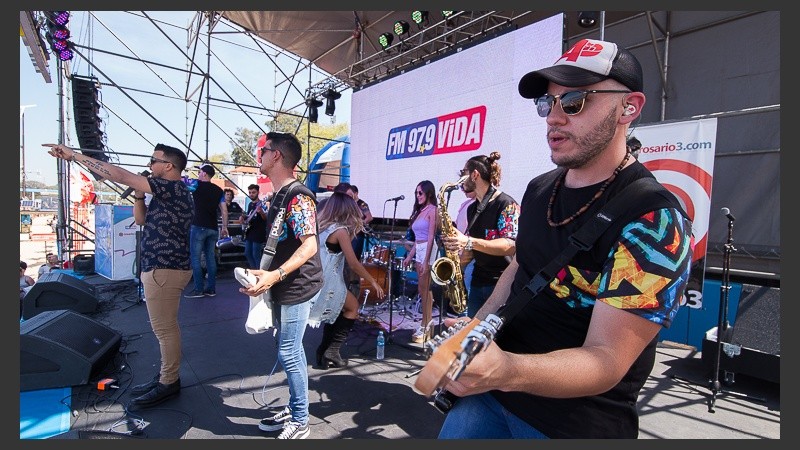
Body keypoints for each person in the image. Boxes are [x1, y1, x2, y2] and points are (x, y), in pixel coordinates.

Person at [435, 39, 694, 439]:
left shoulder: (655, 219)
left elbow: (607, 360)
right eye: (547, 103)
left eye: (574, 101)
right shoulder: (540, 189)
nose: (553, 117)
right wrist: (475, 331)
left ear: (629, 107)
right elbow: (520, 269)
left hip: (574, 425)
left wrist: (507, 371)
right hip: (489, 400)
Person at [43, 142, 194, 411]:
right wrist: (139, 195)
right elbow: (140, 221)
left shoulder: (173, 188)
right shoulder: (165, 194)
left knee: (165, 330)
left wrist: (75, 155)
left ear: (168, 166)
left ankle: (169, 381)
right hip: (159, 267)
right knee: (164, 329)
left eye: (154, 160)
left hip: (165, 269)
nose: (150, 165)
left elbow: (120, 175)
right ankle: (166, 377)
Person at [238, 131, 323, 440]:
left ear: (276, 156)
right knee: (288, 349)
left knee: (289, 351)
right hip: (285, 284)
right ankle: (296, 407)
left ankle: (301, 420)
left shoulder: (298, 196)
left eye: (264, 150)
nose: (260, 155)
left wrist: (274, 276)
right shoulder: (279, 197)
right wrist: (261, 273)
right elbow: (279, 246)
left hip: (297, 286)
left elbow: (310, 246)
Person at [309, 191, 385, 369]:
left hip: (318, 278)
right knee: (352, 308)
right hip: (330, 281)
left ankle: (324, 351)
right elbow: (353, 263)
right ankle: (332, 351)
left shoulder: (322, 226)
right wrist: (373, 282)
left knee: (334, 314)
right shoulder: (340, 231)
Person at [442, 152, 520, 317]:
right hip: (478, 281)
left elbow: (511, 245)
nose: (460, 179)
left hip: (501, 284)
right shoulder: (472, 208)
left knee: (496, 339)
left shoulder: (506, 204)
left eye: (464, 173)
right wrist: (455, 276)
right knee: (472, 335)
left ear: (474, 174)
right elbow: (472, 247)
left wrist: (468, 241)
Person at [401, 180, 438, 344]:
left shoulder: (433, 210)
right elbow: (418, 239)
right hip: (421, 249)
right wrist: (410, 257)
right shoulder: (421, 211)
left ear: (428, 193)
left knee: (426, 288)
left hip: (429, 251)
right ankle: (426, 322)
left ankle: (427, 323)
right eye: (416, 193)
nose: (418, 196)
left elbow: (430, 237)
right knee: (421, 289)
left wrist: (425, 259)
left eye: (420, 193)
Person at [186, 164, 228, 298]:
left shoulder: (196, 185)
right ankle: (211, 289)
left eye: (199, 172)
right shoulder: (219, 190)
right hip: (213, 227)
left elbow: (181, 184)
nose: (198, 174)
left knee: (195, 258)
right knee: (210, 258)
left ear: (204, 173)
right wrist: (225, 227)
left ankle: (199, 289)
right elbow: (224, 210)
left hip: (198, 225)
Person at [238, 183, 268, 269]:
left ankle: (259, 271)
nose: (251, 194)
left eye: (253, 192)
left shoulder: (262, 204)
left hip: (258, 231)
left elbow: (266, 218)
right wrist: (243, 217)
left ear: (258, 192)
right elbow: (249, 215)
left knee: (256, 254)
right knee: (247, 253)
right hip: (250, 231)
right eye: (250, 192)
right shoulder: (250, 204)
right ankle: (254, 270)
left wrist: (261, 212)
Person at [454, 189, 477, 300]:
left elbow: (473, 236)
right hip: (461, 255)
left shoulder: (477, 204)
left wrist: (463, 261)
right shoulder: (466, 204)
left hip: (469, 259)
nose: (463, 187)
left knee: (467, 300)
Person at [349, 185, 373, 262]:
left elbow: (369, 217)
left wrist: (358, 225)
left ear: (356, 193)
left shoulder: (362, 204)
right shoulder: (349, 203)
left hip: (358, 234)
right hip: (348, 232)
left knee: (354, 257)